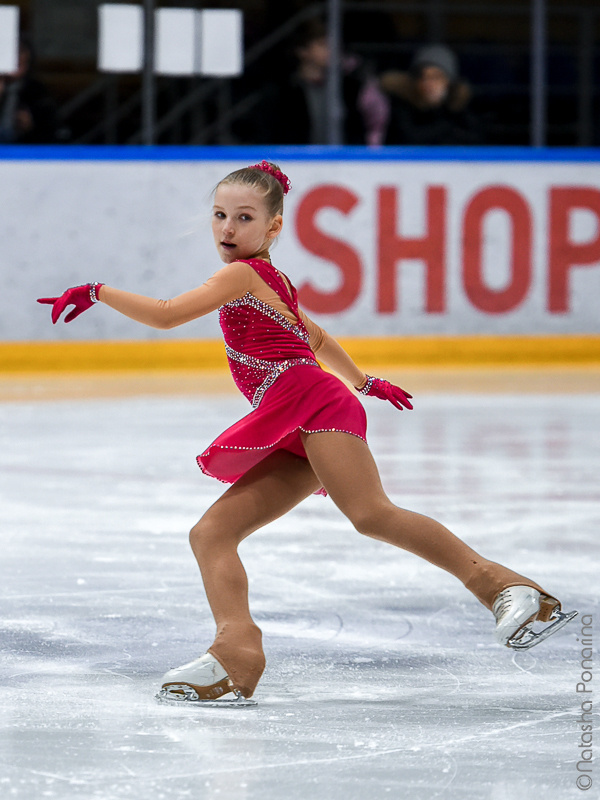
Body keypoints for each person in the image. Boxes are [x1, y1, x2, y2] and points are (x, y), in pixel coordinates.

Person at [37, 161, 577, 706]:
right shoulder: (274, 281)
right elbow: (313, 333)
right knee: (211, 535)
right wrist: (366, 381)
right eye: (220, 215)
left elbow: (167, 314)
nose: (227, 228)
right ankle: (237, 653)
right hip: (295, 414)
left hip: (312, 401)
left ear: (272, 229)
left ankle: (503, 587)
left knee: (370, 514)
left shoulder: (241, 275)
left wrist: (97, 289)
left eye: (244, 218)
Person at [259, 22, 387, 146]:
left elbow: (359, 130)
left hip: (343, 162)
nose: (331, 50)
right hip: (296, 162)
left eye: (333, 44)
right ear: (302, 51)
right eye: (322, 44)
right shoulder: (283, 91)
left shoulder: (349, 87)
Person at [381, 44, 482, 145]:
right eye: (423, 77)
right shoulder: (401, 103)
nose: (428, 83)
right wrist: (447, 126)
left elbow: (476, 138)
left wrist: (443, 110)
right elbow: (409, 138)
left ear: (448, 81)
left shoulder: (459, 105)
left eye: (436, 77)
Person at [0, 36, 57, 144]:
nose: (16, 58)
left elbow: (50, 131)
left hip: (24, 150)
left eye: (21, 52)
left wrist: (31, 126)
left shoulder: (38, 92)